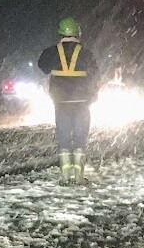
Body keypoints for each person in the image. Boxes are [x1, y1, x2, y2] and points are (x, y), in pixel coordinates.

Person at [38, 17, 100, 185]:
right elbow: (95, 75)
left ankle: (65, 178)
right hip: (82, 102)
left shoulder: (51, 52)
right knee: (80, 139)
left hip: (61, 102)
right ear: (77, 34)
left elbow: (42, 66)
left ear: (60, 33)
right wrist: (93, 95)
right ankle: (79, 177)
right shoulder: (86, 53)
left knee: (64, 139)